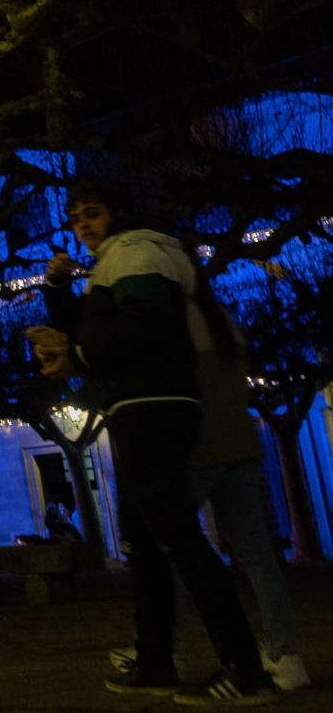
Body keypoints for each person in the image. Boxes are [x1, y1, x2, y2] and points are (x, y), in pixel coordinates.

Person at [27, 183, 275, 704]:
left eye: (92, 213)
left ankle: (246, 669)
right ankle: (155, 658)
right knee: (146, 545)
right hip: (141, 406)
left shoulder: (136, 253)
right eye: (75, 218)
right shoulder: (119, 261)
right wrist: (57, 295)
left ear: (117, 214)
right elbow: (95, 328)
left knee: (180, 541)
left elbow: (143, 329)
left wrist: (78, 356)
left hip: (151, 407)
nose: (82, 225)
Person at [105, 277, 311, 694]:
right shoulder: (221, 318)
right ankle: (285, 656)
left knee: (174, 551)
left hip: (198, 453)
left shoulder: (172, 321)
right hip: (240, 447)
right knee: (257, 556)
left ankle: (169, 651)